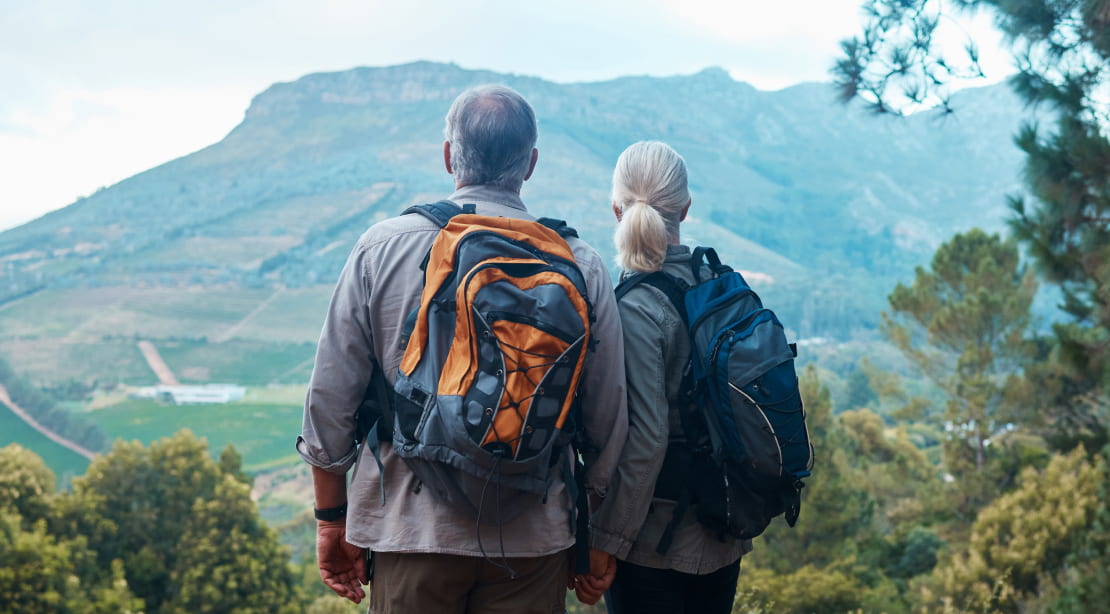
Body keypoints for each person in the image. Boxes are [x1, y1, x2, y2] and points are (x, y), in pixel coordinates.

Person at [296, 84, 627, 613]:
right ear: (531, 164)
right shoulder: (580, 263)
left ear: (449, 155)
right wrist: (597, 535)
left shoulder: (384, 246)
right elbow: (609, 418)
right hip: (534, 536)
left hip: (411, 526)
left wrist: (331, 519)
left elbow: (330, 399)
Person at [589, 141, 750, 613]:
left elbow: (648, 439)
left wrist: (607, 541)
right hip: (723, 528)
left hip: (654, 543)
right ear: (686, 207)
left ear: (616, 208)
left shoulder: (637, 305)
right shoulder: (719, 284)